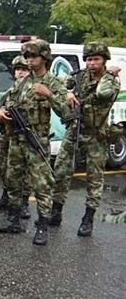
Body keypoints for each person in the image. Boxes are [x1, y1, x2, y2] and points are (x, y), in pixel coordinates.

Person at [0, 39, 68, 245]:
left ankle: (42, 225)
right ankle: (13, 220)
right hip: (16, 139)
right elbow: (6, 101)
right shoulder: (22, 81)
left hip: (36, 140)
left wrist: (49, 94)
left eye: (34, 56)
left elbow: (66, 112)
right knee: (13, 179)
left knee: (42, 185)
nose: (30, 60)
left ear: (44, 58)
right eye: (28, 57)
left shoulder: (52, 82)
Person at [51, 42, 121, 236]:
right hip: (75, 130)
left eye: (96, 59)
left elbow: (102, 93)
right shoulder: (79, 77)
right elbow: (57, 84)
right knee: (61, 171)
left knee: (94, 178)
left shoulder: (112, 81)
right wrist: (68, 92)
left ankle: (88, 218)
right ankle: (56, 211)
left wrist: (109, 74)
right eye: (89, 59)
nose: (92, 63)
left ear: (104, 60)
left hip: (96, 135)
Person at [0, 56, 32, 219]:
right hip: (6, 135)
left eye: (24, 69)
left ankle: (24, 203)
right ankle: (6, 198)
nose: (20, 72)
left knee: (24, 172)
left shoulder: (32, 90)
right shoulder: (10, 91)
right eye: (18, 69)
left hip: (23, 138)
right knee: (5, 168)